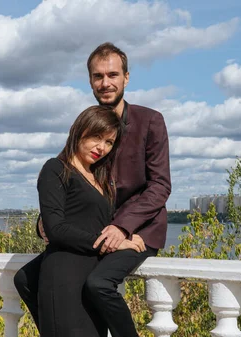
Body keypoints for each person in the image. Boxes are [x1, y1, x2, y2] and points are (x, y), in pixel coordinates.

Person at [14, 42, 172, 337]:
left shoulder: (150, 121)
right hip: (100, 228)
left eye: (113, 74)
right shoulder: (91, 123)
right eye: (98, 76)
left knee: (98, 284)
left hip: (139, 230)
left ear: (126, 77)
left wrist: (123, 228)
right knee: (25, 278)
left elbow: (160, 185)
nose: (106, 82)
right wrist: (44, 221)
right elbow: (70, 179)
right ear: (90, 81)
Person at [30, 104, 146, 337]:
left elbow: (87, 219)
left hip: (88, 282)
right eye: (97, 137)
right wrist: (112, 243)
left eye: (109, 142)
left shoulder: (100, 177)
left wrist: (125, 232)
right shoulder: (56, 168)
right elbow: (57, 229)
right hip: (64, 279)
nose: (101, 147)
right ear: (79, 129)